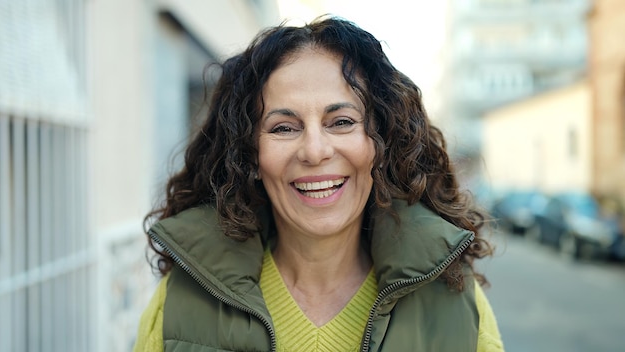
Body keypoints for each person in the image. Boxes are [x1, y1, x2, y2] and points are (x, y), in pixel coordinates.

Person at [133, 16, 504, 352]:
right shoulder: (179, 301)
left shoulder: (458, 302)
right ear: (248, 154)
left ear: (382, 142)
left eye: (341, 121)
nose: (314, 151)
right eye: (284, 127)